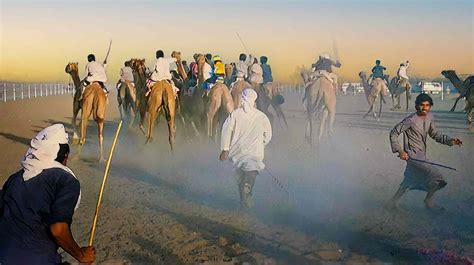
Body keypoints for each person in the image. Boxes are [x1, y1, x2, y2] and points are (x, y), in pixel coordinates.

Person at [0, 124, 95, 264]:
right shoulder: (65, 181)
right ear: (66, 155)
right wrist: (81, 254)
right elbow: (58, 229)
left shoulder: (15, 178)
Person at [389, 94, 463, 209]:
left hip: (421, 155)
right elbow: (394, 133)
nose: (424, 108)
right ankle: (428, 201)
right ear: (416, 106)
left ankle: (392, 202)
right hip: (413, 157)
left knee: (408, 180)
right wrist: (400, 151)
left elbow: (435, 135)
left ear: (430, 106)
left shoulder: (430, 117)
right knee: (437, 177)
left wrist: (450, 140)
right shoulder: (410, 120)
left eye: (427, 105)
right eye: (422, 105)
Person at [219, 89, 272, 208]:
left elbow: (226, 130)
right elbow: (268, 135)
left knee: (241, 175)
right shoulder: (261, 116)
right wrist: (262, 143)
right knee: (252, 171)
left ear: (242, 99)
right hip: (255, 152)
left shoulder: (235, 114)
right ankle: (249, 187)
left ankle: (244, 197)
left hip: (238, 152)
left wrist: (225, 148)